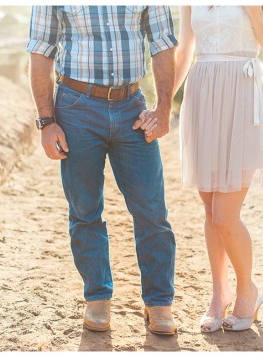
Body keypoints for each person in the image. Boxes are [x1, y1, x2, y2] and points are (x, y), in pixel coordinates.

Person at [26, 6, 178, 335]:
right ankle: (97, 297)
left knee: (152, 209)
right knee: (85, 209)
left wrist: (164, 108)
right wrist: (47, 121)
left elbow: (163, 43)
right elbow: (41, 51)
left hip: (132, 108)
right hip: (76, 107)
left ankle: (159, 302)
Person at [166, 5, 263, 333]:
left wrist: (253, 11)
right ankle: (220, 294)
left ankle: (248, 289)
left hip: (242, 96)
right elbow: (185, 50)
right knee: (209, 211)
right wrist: (163, 103)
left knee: (224, 215)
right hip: (202, 94)